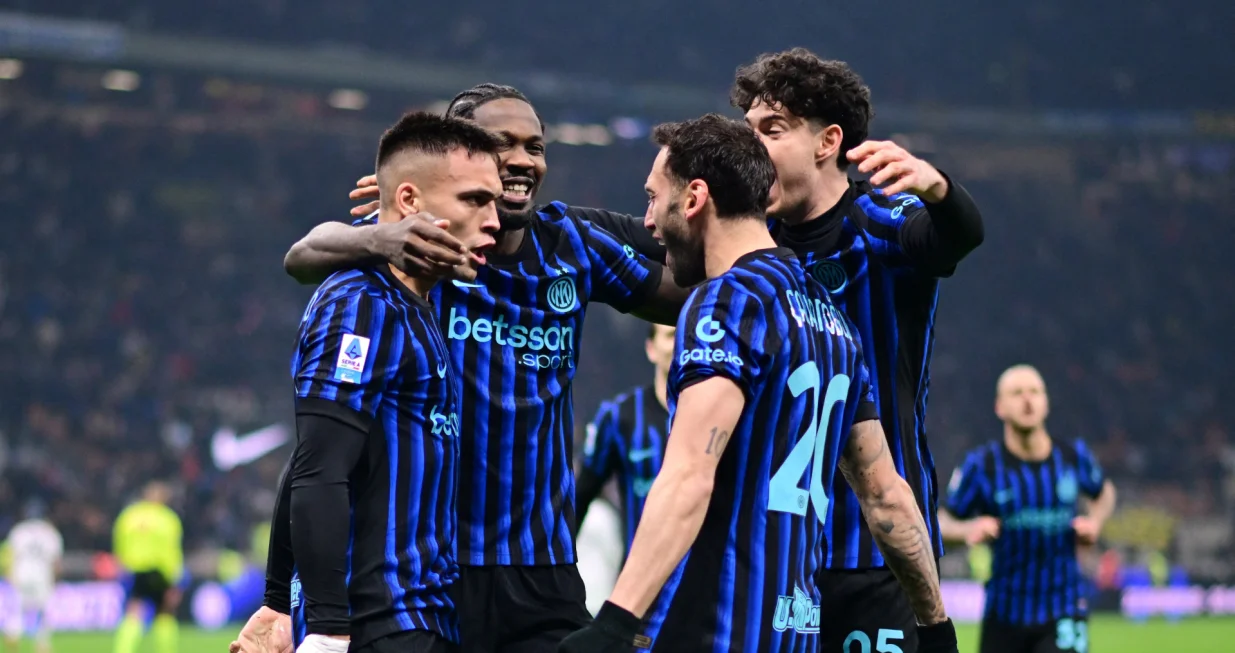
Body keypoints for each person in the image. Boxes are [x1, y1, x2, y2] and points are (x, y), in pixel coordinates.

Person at [281, 84, 685, 652]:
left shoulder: (570, 243)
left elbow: (687, 287)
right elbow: (303, 256)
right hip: (437, 571)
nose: (524, 159)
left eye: (536, 146)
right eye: (504, 144)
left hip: (541, 568)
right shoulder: (421, 252)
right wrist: (381, 234)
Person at [559, 114, 956, 653]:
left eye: (654, 198)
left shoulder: (727, 300)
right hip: (798, 630)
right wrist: (935, 627)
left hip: (715, 625)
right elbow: (886, 496)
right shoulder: (834, 321)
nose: (649, 221)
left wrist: (613, 622)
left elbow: (688, 475)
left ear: (695, 198)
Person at [730, 48, 985, 652]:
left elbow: (955, 237)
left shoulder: (877, 218)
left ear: (828, 141)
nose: (753, 148)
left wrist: (939, 188)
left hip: (880, 555)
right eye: (749, 133)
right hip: (779, 554)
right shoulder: (750, 248)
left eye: (772, 129)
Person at [239, 111, 503, 653]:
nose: (494, 220)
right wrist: (330, 631)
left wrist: (274, 599)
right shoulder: (362, 304)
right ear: (409, 203)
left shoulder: (423, 302)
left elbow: (310, 457)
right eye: (475, 200)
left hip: (422, 617)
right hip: (375, 623)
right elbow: (318, 471)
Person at [940, 365, 1117, 653]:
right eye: (1017, 393)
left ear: (1046, 403)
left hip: (1063, 606)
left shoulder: (1072, 457)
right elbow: (943, 522)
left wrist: (1095, 521)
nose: (1027, 400)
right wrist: (967, 530)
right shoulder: (982, 466)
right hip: (1004, 612)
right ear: (999, 407)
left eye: (1035, 391)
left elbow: (1105, 492)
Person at [574, 324, 674, 557]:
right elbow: (581, 496)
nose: (680, 346)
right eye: (670, 336)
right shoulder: (619, 416)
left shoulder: (720, 414)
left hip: (707, 584)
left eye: (686, 337)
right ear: (651, 349)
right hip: (639, 581)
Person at [112, 482, 184, 653]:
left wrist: (121, 565)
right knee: (165, 613)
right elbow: (172, 551)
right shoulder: (167, 518)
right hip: (159, 571)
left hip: (134, 571)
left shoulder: (129, 516)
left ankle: (123, 650)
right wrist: (175, 579)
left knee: (134, 611)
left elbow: (119, 543)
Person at [3, 501, 62, 653]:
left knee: (19, 607)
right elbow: (56, 561)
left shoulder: (19, 531)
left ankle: (13, 632)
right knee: (44, 610)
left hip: (22, 572)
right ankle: (42, 643)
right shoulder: (50, 532)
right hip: (42, 574)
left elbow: (11, 555)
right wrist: (56, 578)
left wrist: (10, 574)